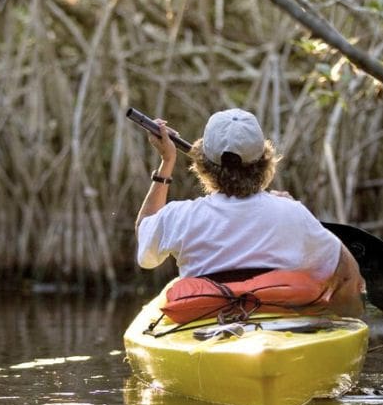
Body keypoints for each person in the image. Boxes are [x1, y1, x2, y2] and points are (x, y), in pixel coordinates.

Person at [134, 108, 365, 318]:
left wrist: (167, 162)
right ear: (264, 161)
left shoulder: (181, 216)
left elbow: (145, 243)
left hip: (205, 328)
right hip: (282, 330)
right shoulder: (292, 213)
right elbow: (346, 274)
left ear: (203, 164)